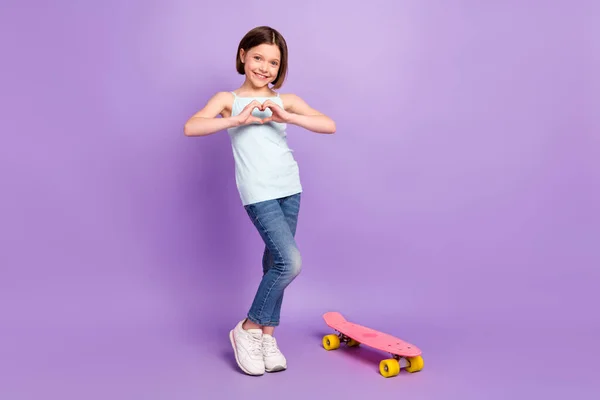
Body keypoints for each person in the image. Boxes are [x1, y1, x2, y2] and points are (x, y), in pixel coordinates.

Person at [183, 26, 336, 376]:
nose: (264, 67)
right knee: (290, 262)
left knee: (274, 264)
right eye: (258, 58)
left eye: (273, 62)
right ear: (242, 55)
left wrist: (287, 116)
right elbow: (191, 126)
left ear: (280, 68)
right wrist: (237, 118)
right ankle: (248, 329)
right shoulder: (228, 100)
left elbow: (328, 124)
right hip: (258, 193)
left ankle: (268, 338)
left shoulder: (286, 101)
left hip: (290, 189)